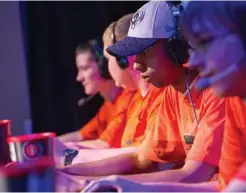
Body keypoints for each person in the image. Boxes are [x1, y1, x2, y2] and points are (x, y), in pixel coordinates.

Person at [61, 2, 226, 191]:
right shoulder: (172, 93)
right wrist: (71, 173)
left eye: (145, 52)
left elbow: (193, 175)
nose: (136, 65)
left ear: (176, 47)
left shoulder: (216, 92)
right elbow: (142, 159)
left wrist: (122, 184)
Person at [58, 13, 164, 172]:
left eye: (108, 60)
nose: (107, 68)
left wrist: (70, 156)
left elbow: (145, 157)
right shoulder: (136, 100)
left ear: (124, 59)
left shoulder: (153, 97)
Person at [57, 40, 136, 149]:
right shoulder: (107, 106)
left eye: (84, 68)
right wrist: (48, 143)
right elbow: (80, 135)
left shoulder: (128, 98)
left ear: (103, 66)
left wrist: (55, 148)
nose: (79, 78)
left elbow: (105, 145)